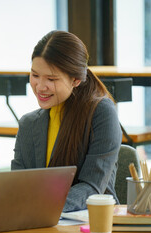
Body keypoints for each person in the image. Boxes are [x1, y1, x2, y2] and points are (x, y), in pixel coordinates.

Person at [11, 30, 122, 212]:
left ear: (76, 80)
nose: (40, 87)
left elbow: (92, 188)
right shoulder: (28, 124)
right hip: (40, 226)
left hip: (92, 225)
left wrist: (41, 207)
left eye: (51, 79)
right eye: (35, 75)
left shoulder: (101, 113)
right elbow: (18, 186)